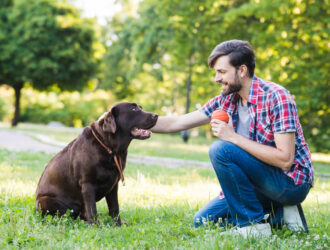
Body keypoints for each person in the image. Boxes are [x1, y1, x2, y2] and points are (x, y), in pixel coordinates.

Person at [151, 40, 313, 238]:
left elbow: (285, 160)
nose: (216, 79)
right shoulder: (227, 99)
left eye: (222, 72)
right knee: (202, 221)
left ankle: (253, 227)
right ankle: (280, 215)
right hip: (258, 184)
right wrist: (135, 123)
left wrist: (233, 137)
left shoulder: (277, 97)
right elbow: (176, 123)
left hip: (289, 183)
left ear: (242, 70)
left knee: (221, 149)